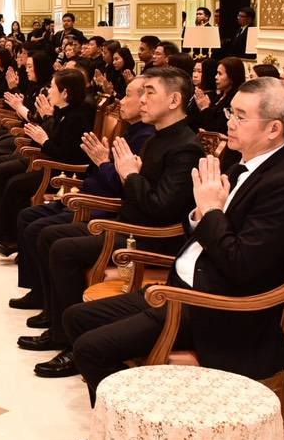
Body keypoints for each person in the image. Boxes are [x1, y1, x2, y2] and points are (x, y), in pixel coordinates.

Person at [62, 77, 284, 440]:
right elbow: (198, 225)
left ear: (274, 129)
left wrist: (210, 212)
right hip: (181, 290)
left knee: (91, 348)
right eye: (232, 113)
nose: (230, 122)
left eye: (241, 116)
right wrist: (199, 214)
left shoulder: (283, 184)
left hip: (215, 310)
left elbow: (243, 264)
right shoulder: (238, 164)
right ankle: (136, 428)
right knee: (76, 318)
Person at [21, 68, 206, 377]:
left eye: (150, 93)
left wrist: (129, 174)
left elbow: (161, 208)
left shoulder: (185, 148)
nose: (143, 100)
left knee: (64, 248)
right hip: (130, 223)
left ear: (174, 100)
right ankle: (58, 323)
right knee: (50, 235)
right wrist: (125, 173)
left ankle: (70, 343)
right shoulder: (159, 137)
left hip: (151, 236)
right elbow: (137, 193)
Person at [0, 68, 96, 253]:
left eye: (53, 87)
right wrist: (47, 122)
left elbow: (67, 154)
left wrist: (44, 140)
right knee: (1, 172)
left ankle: (7, 235)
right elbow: (52, 136)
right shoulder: (63, 110)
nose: (49, 91)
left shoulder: (78, 117)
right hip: (47, 162)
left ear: (65, 93)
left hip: (62, 173)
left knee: (15, 184)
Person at [191, 56, 245, 134]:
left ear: (231, 77)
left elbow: (218, 128)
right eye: (217, 73)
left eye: (220, 74)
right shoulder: (220, 96)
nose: (216, 77)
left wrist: (205, 108)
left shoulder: (234, 100)